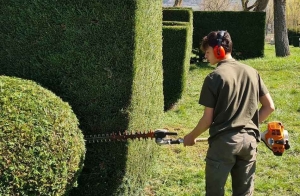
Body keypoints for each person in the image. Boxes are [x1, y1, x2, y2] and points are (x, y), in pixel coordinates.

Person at [183, 30, 275, 196]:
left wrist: (191, 137)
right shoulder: (252, 72)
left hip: (223, 145)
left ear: (219, 50)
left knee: (214, 192)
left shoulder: (214, 77)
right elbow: (269, 107)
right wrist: (250, 125)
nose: (206, 56)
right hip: (249, 144)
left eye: (208, 52)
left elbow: (206, 120)